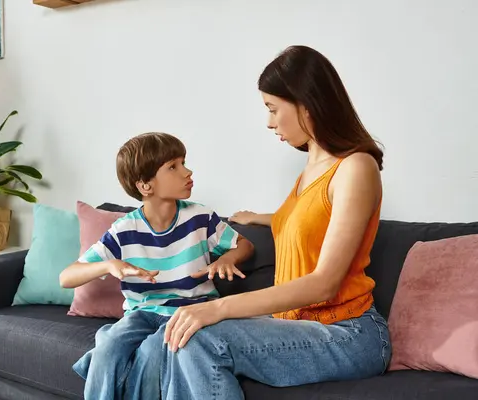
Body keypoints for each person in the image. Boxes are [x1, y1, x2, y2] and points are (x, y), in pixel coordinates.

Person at [161, 45, 392, 399]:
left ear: (306, 103)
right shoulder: (310, 170)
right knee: (176, 334)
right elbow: (316, 220)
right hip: (297, 325)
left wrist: (218, 307)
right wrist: (262, 218)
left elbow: (325, 283)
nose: (269, 122)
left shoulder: (355, 167)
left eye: (273, 109)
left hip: (349, 333)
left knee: (202, 337)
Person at [59, 132, 254, 400]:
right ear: (145, 186)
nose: (187, 171)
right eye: (173, 167)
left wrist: (227, 258)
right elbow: (67, 277)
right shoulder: (124, 230)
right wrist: (109, 266)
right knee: (106, 349)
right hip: (142, 314)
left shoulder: (200, 218)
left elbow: (244, 245)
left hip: (192, 312)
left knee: (153, 352)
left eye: (183, 162)